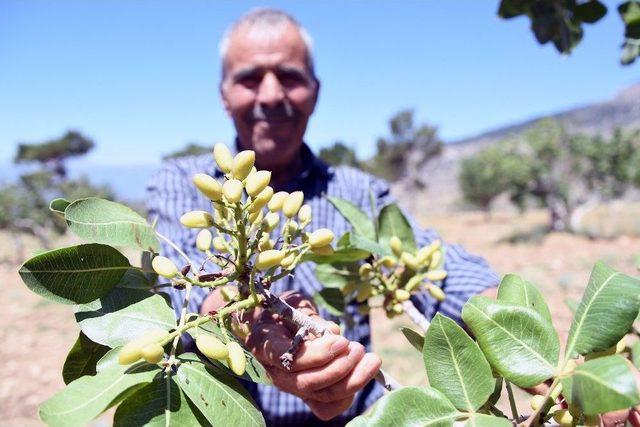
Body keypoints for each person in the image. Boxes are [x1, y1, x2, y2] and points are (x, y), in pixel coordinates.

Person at [147, 8, 498, 426]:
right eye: (250, 78)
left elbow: (439, 271)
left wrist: (516, 338)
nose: (272, 95)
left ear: (315, 92)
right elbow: (170, 292)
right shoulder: (182, 182)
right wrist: (248, 318)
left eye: (290, 76)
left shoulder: (358, 192)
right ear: (224, 95)